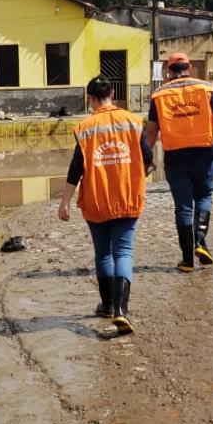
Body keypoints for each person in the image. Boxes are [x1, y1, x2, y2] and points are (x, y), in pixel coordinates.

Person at [59, 76, 152, 334]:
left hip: (96, 200)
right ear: (112, 92)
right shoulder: (133, 122)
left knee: (103, 253)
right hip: (126, 197)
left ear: (89, 99)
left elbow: (75, 168)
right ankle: (121, 311)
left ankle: (108, 305)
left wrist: (64, 202)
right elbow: (148, 156)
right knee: (123, 252)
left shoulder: (85, 127)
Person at [145, 53, 213, 273]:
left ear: (168, 71)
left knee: (183, 207)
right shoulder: (206, 89)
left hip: (175, 158)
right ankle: (199, 240)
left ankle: (187, 260)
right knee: (205, 197)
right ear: (189, 67)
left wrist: (145, 159)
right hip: (203, 155)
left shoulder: (159, 95)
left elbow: (151, 131)